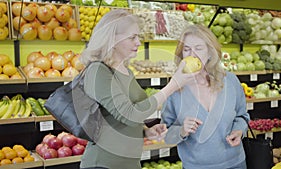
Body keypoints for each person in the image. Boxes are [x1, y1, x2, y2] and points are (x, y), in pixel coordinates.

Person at [78, 9, 199, 169]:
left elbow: (122, 118)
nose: (138, 42)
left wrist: (145, 131)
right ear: (112, 39)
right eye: (132, 37)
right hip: (104, 163)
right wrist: (173, 85)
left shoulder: (125, 71)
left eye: (138, 37)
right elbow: (128, 114)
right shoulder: (98, 71)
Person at [160, 24, 250, 169]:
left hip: (235, 164)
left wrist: (239, 130)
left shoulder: (230, 81)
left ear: (210, 52)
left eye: (198, 48)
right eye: (186, 49)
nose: (192, 54)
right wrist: (182, 130)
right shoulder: (175, 89)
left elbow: (242, 116)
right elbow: (166, 134)